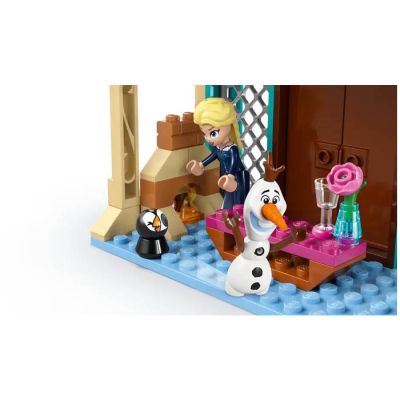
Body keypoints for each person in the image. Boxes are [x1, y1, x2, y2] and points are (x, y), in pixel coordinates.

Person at [186, 97, 250, 209]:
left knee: (239, 204)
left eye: (213, 133)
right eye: (204, 134)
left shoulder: (232, 149)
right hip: (227, 179)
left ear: (228, 125)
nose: (208, 139)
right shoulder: (219, 148)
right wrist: (201, 165)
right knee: (228, 203)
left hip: (238, 178)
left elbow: (234, 163)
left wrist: (231, 176)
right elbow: (212, 156)